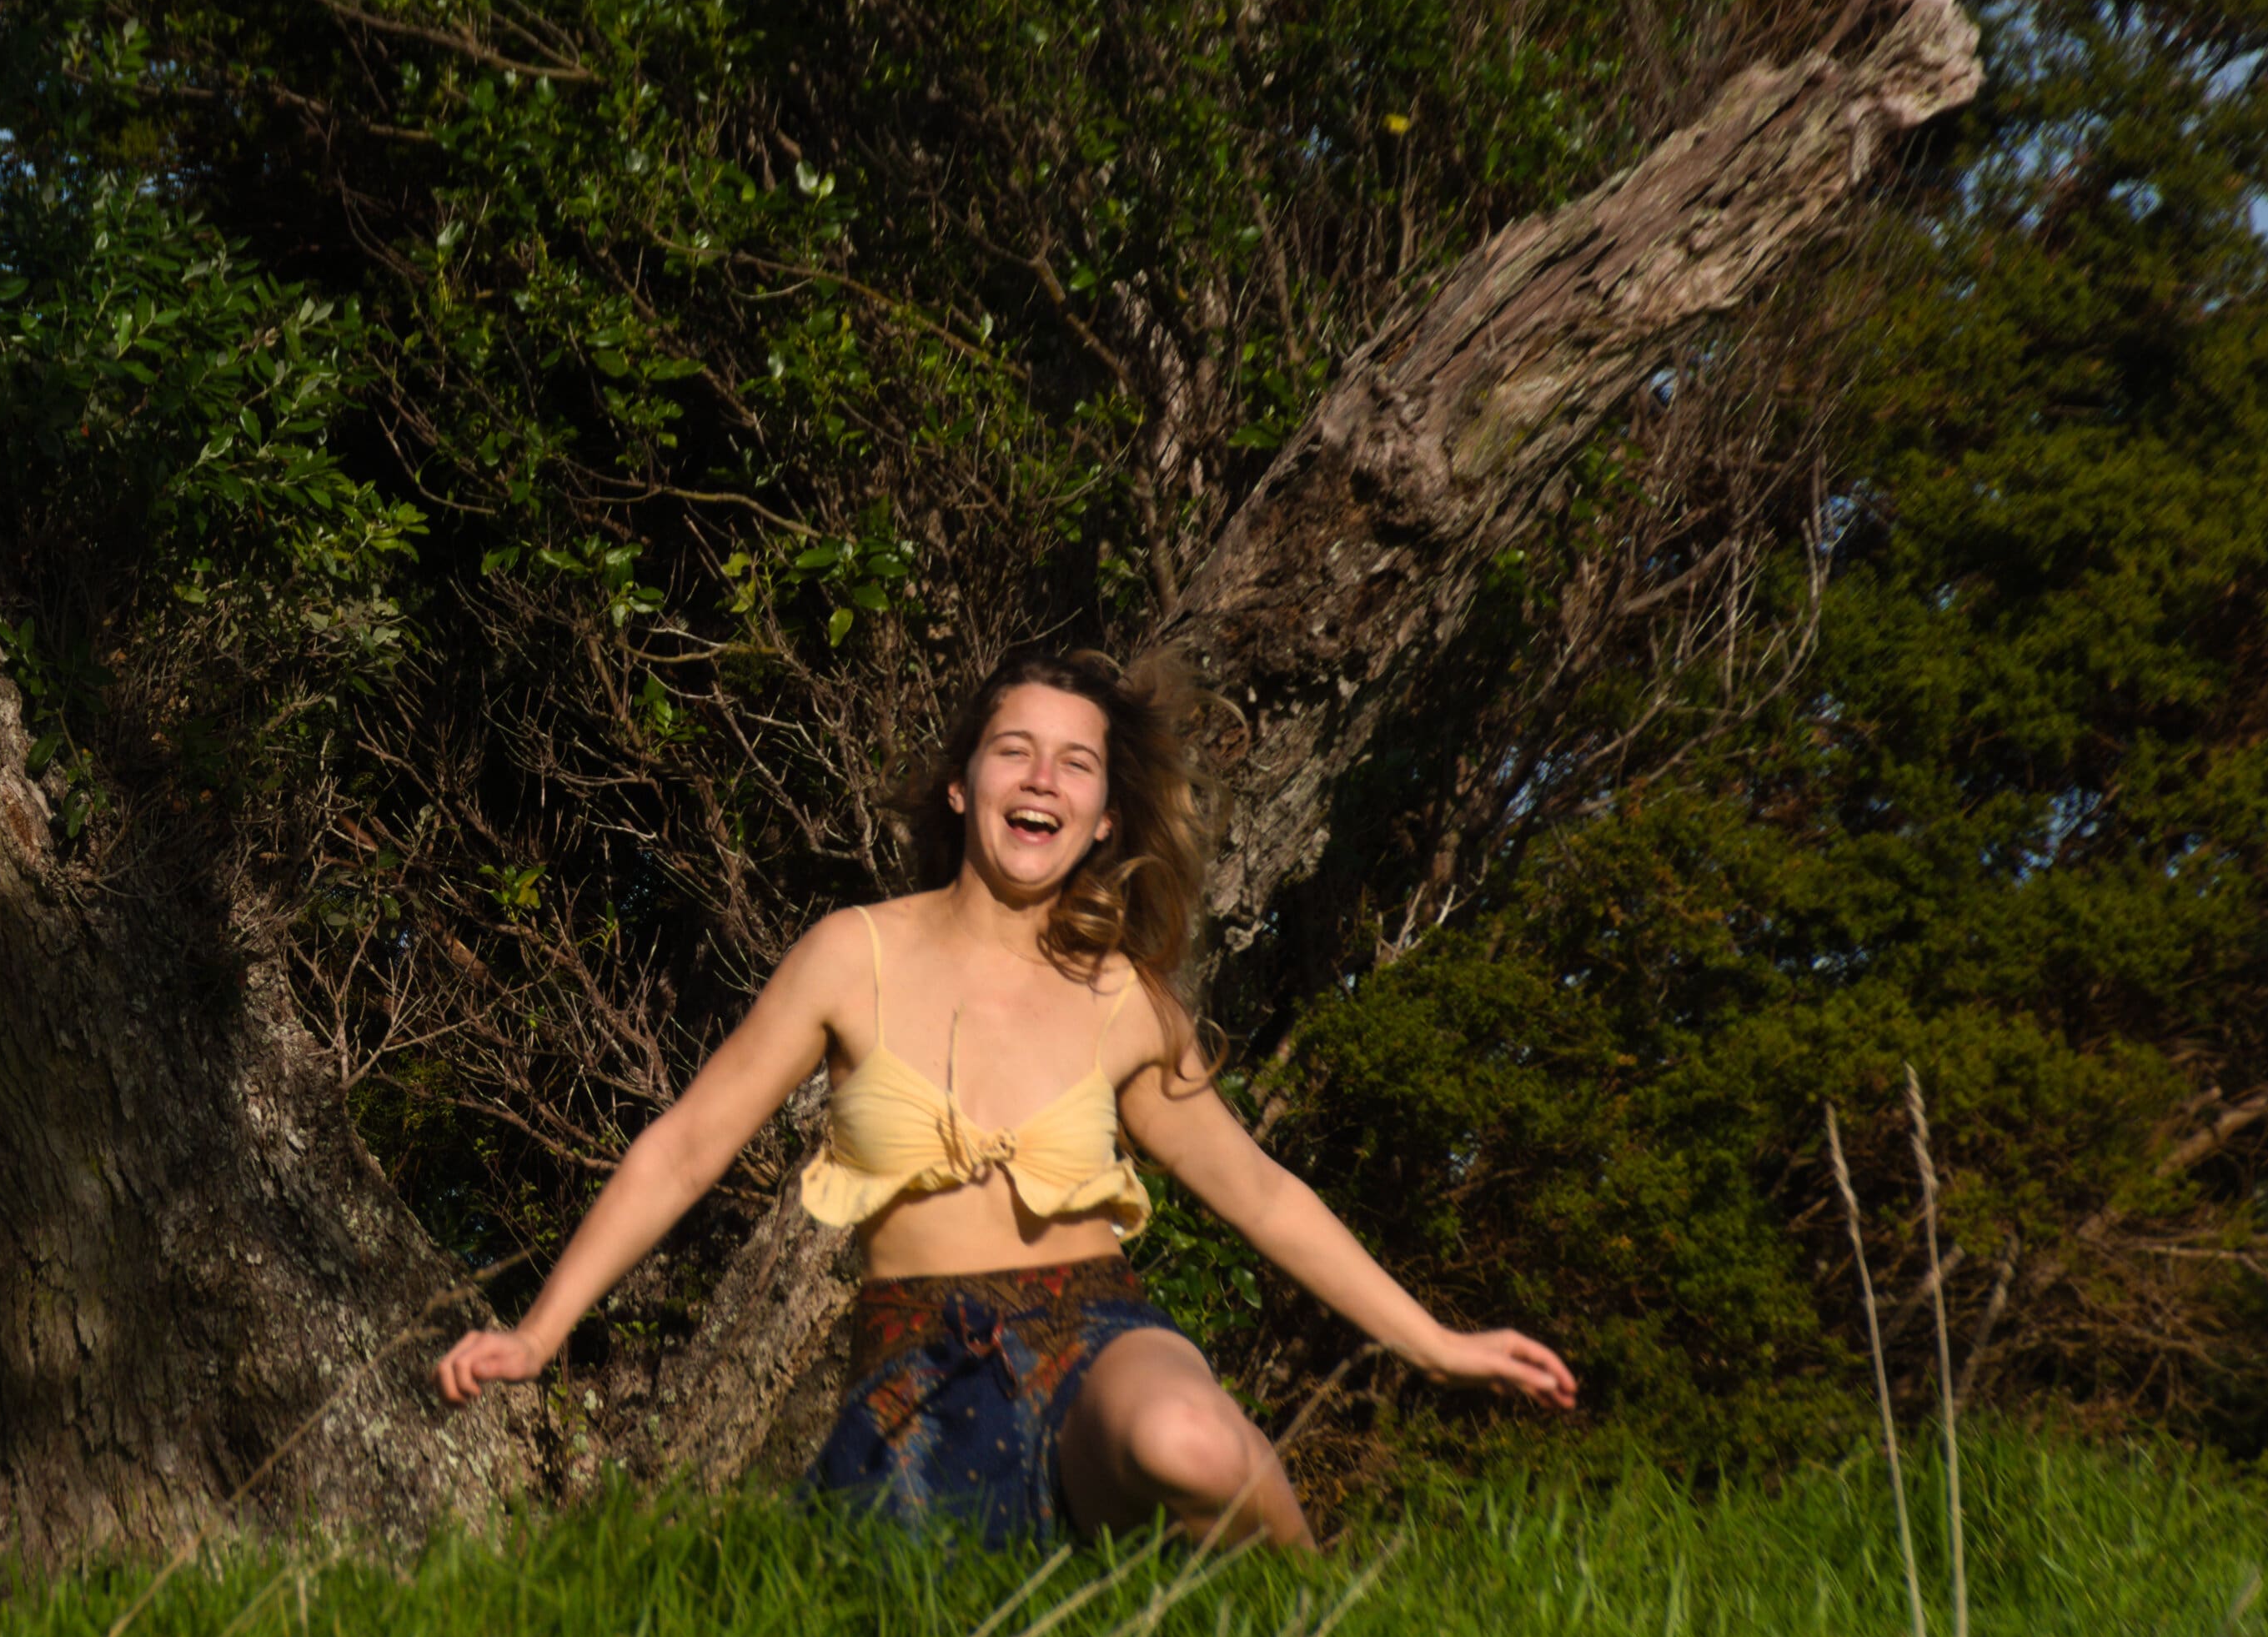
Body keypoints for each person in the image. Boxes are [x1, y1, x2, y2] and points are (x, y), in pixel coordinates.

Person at [433, 646, 1570, 1544]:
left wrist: (1434, 1343)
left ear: (1107, 814)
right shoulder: (851, 954)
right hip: (912, 1359)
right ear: (961, 782)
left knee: (1191, 1442)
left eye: (1076, 762)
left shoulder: (1122, 997)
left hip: (1097, 1327)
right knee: (901, 1635)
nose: (1042, 779)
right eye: (1014, 751)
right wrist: (541, 1331)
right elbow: (684, 1148)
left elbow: (1263, 1197)